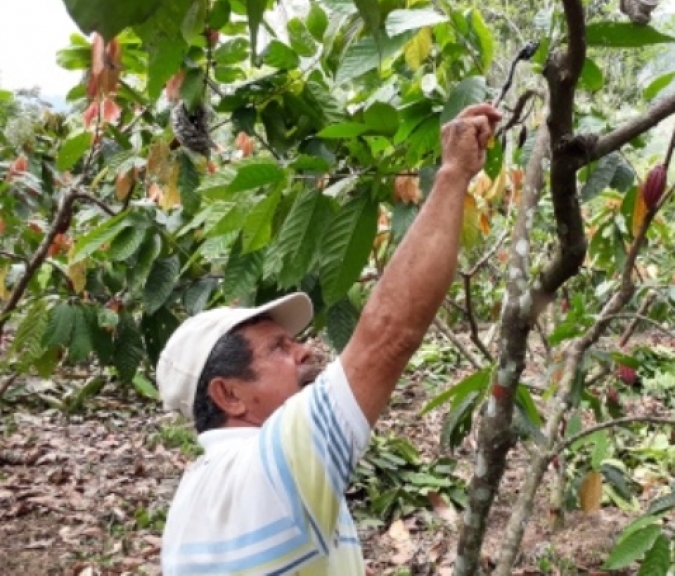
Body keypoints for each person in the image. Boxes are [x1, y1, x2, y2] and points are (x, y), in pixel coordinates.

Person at [155, 103, 502, 575]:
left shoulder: (193, 497)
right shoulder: (270, 470)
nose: (305, 350)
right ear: (229, 394)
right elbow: (390, 335)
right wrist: (453, 173)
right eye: (277, 348)